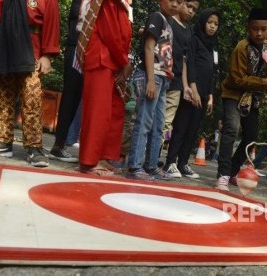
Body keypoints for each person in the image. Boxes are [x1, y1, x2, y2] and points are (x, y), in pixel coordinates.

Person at [0, 0, 60, 168]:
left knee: (32, 98)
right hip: (5, 45)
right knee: (2, 95)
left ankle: (34, 147)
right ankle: (2, 141)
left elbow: (52, 21)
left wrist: (47, 55)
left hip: (32, 48)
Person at [215, 8, 267, 191]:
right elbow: (237, 79)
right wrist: (263, 83)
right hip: (233, 94)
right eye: (254, 28)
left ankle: (232, 171)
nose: (259, 33)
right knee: (231, 130)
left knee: (251, 136)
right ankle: (222, 174)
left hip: (253, 98)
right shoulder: (241, 48)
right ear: (248, 28)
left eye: (263, 29)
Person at [75, 0, 132, 175]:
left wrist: (123, 60)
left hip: (112, 60)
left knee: (114, 110)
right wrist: (124, 61)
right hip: (102, 57)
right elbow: (111, 32)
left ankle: (101, 156)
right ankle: (88, 161)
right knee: (98, 112)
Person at [163, 8, 220, 179]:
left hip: (203, 94)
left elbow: (213, 72)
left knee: (193, 130)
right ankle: (170, 162)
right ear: (203, 22)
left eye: (216, 24)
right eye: (210, 22)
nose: (212, 26)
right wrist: (193, 89)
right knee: (181, 127)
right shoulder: (194, 39)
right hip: (190, 91)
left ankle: (183, 163)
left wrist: (210, 96)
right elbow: (191, 65)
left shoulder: (213, 45)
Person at [126, 0, 178, 180]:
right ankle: (135, 166)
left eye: (179, 2)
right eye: (171, 0)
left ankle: (151, 166)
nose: (175, 4)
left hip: (163, 78)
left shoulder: (168, 23)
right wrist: (149, 80)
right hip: (151, 76)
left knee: (158, 125)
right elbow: (149, 47)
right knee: (145, 121)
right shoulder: (156, 17)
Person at [161, 0, 200, 167]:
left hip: (176, 81)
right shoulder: (167, 20)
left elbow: (185, 60)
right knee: (151, 119)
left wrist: (186, 86)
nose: (190, 11)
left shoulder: (189, 31)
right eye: (188, 6)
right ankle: (137, 157)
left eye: (194, 9)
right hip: (160, 75)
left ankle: (153, 159)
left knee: (166, 123)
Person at [47, 0, 83, 163]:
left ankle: (63, 144)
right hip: (76, 47)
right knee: (70, 97)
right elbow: (77, 14)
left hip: (89, 50)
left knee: (77, 100)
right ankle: (58, 145)